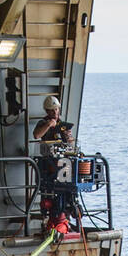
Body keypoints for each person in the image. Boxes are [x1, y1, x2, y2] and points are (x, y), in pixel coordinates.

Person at [32, 95, 75, 234]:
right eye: (52, 110)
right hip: (48, 164)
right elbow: (37, 135)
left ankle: (65, 212)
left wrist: (69, 137)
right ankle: (52, 218)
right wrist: (48, 125)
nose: (55, 113)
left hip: (61, 162)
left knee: (67, 187)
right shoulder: (42, 123)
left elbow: (70, 145)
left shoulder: (62, 125)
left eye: (56, 109)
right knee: (50, 190)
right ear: (47, 111)